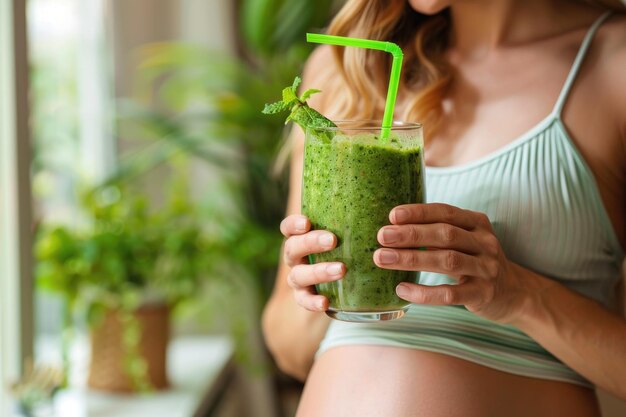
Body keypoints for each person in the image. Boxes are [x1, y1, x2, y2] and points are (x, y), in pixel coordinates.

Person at [262, 0, 626, 415]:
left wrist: (521, 295)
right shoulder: (348, 66)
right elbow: (288, 349)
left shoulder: (614, 64)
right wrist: (323, 289)